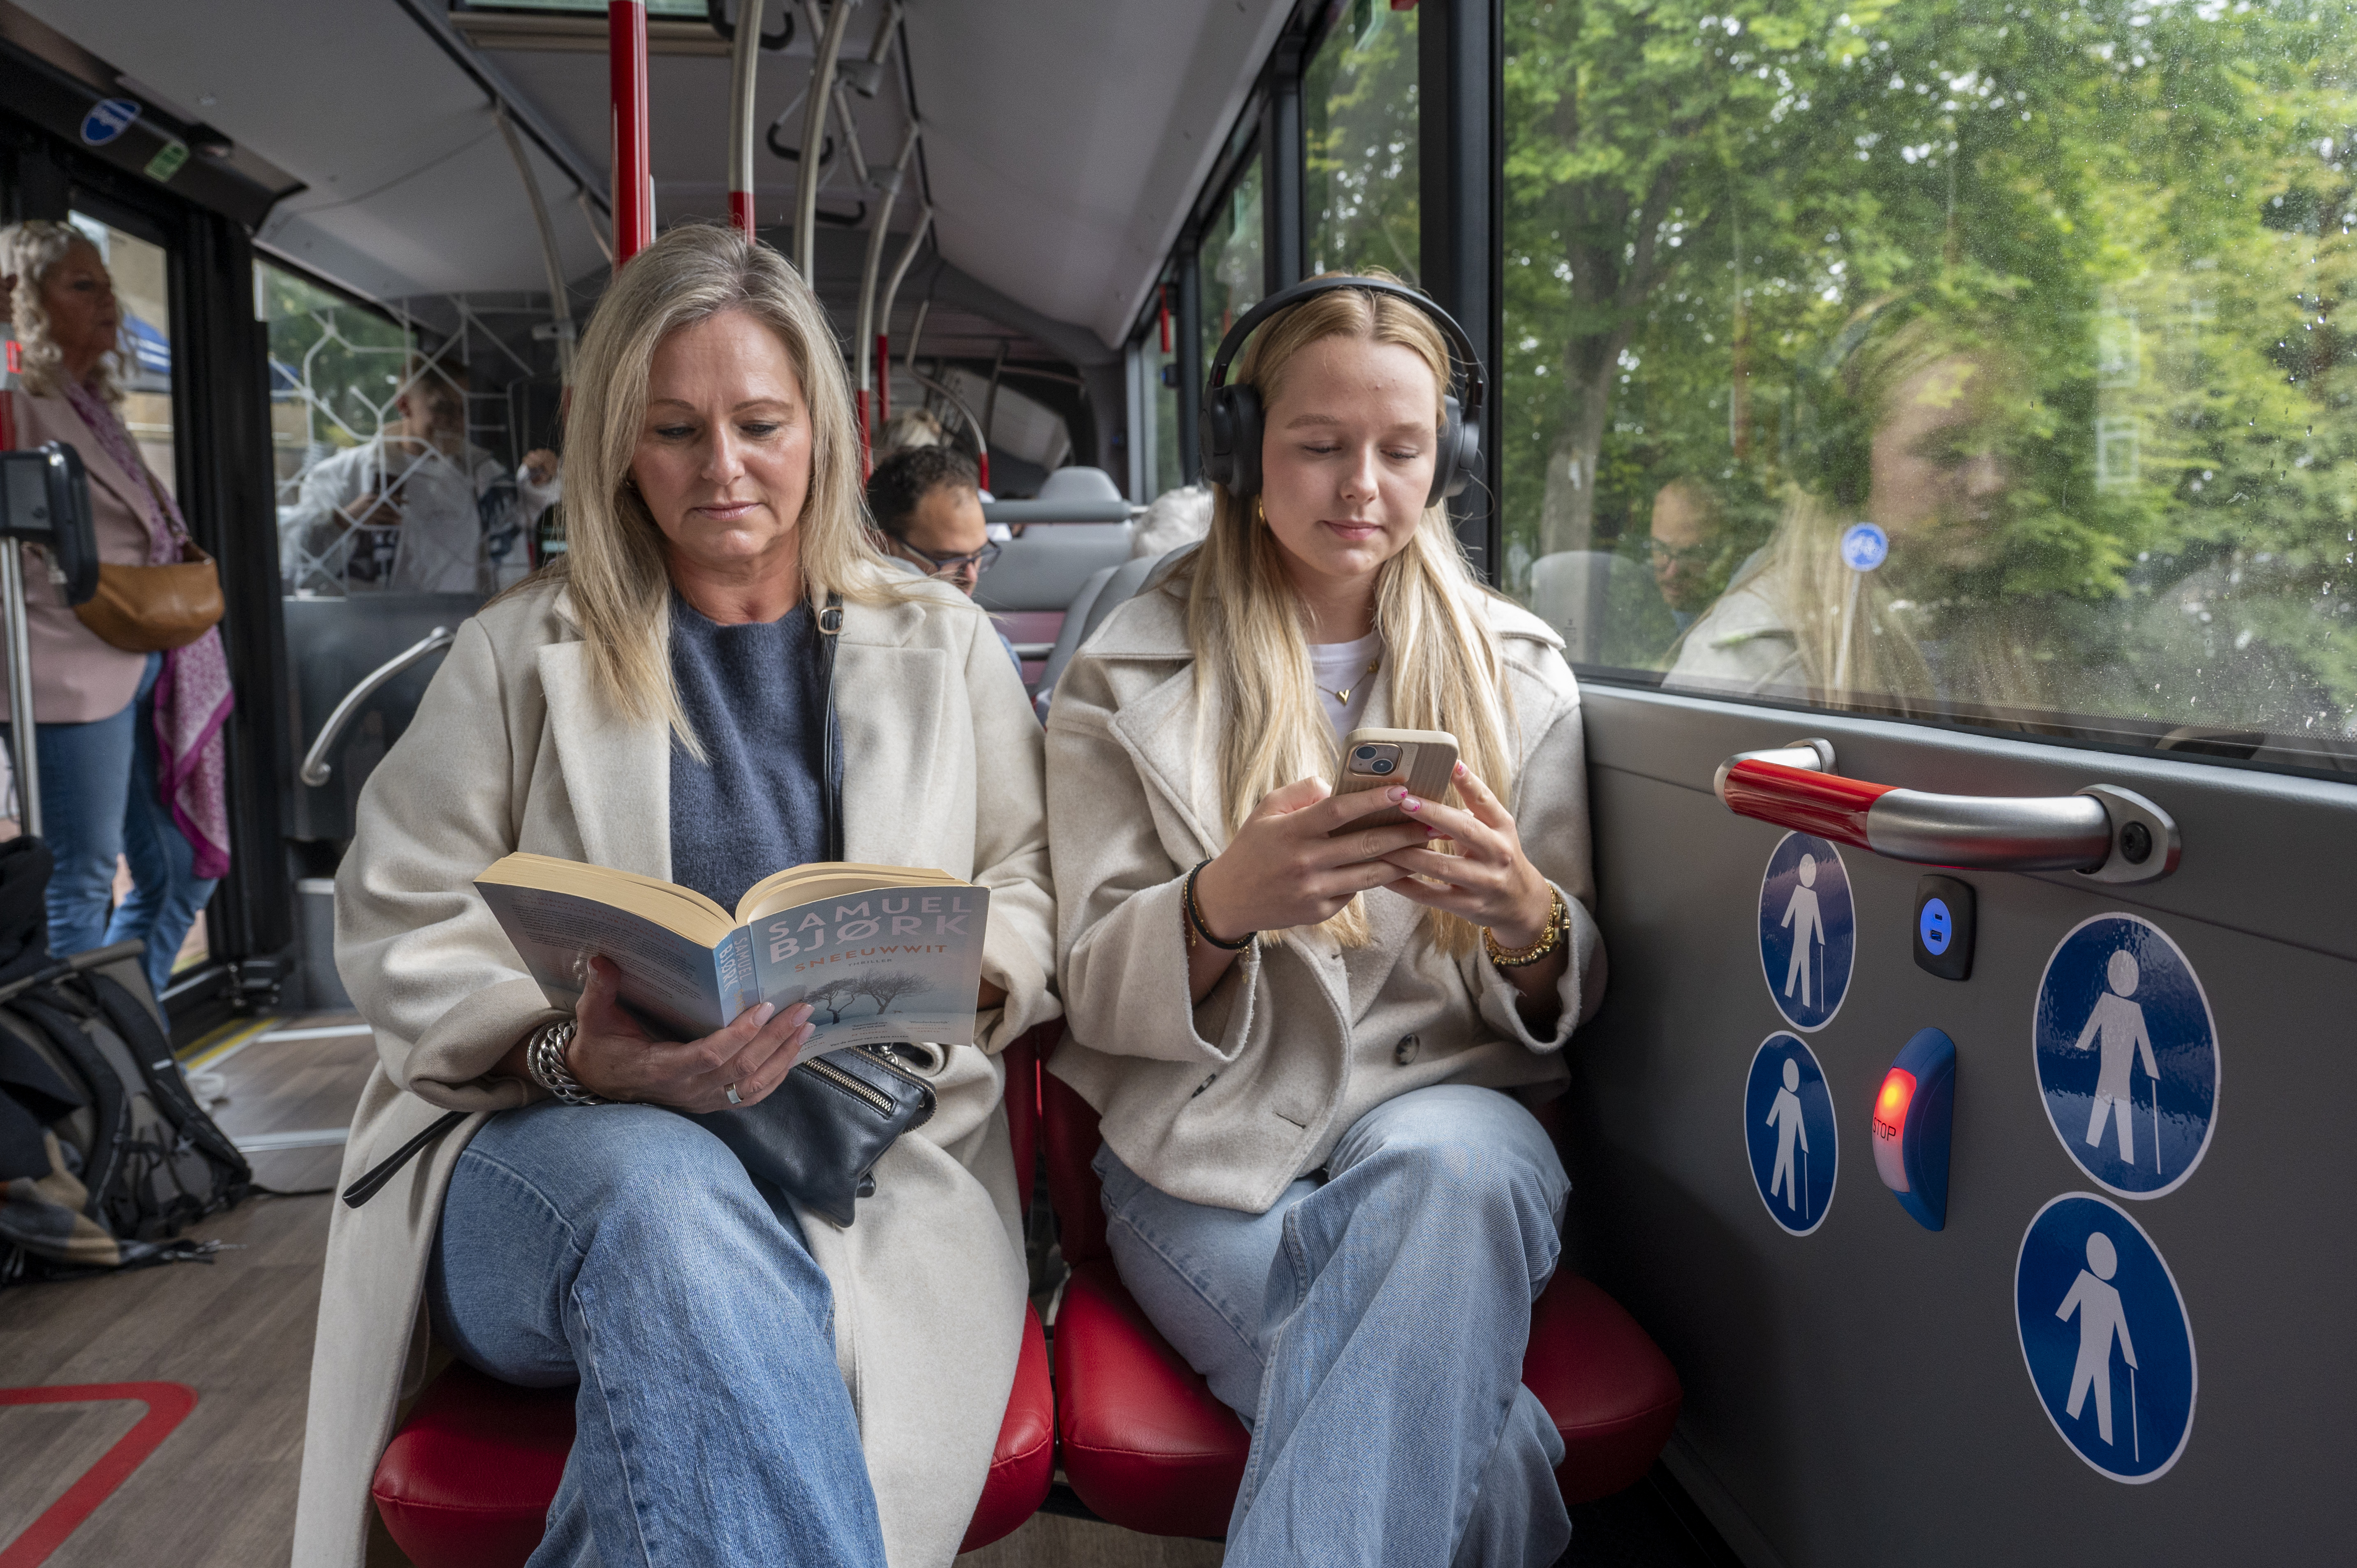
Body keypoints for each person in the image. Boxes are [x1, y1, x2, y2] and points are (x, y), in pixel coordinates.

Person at [293, 223, 1058, 1568]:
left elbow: (1032, 888)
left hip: (868, 1163)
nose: (724, 470)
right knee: (663, 1199)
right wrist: (566, 1052)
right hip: (547, 1151)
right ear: (616, 448)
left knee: (685, 1396)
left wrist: (968, 968)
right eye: (675, 431)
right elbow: (399, 923)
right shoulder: (518, 655)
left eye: (760, 423)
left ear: (820, 426)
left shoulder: (943, 646)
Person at [1045, 273, 1605, 1566]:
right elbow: (1082, 981)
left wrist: (1522, 912)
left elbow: (1562, 975)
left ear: (1444, 459)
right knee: (1497, 1444)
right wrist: (1215, 908)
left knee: (1453, 1165)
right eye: (1317, 445)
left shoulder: (1518, 675)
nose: (1361, 485)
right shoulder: (1123, 670)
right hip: (1211, 1159)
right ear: (1243, 453)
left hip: (1448, 1119)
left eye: (1400, 451)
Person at [0, 221, 232, 1004]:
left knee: (182, 870)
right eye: (81, 285)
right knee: (80, 877)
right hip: (64, 660)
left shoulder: (87, 399)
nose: (109, 301)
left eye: (106, 282)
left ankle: (132, 1047)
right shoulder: (18, 392)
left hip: (149, 653)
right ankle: (87, 1085)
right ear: (24, 303)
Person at [1667, 305, 2035, 712]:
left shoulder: (2031, 635)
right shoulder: (1753, 666)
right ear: (1848, 466)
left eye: (2009, 447)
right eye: (1947, 451)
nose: (1993, 481)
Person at [279, 357, 546, 594]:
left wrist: (539, 484)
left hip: (460, 626)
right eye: (443, 408)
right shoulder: (342, 475)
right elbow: (297, 565)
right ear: (405, 405)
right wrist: (342, 520)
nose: (457, 421)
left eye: (464, 409)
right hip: (375, 632)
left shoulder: (483, 477)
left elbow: (522, 526)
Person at [865, 444, 1024, 675]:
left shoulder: (996, 654)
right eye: (947, 559)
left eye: (978, 554)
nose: (971, 576)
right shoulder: (841, 644)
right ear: (880, 545)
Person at [1648, 477, 1730, 631]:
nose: (1672, 572)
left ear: (1715, 555)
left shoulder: (1731, 619)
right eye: (1661, 549)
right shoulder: (1629, 597)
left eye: (1690, 554)